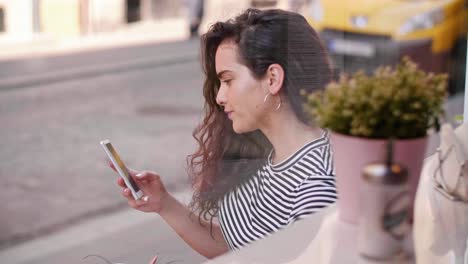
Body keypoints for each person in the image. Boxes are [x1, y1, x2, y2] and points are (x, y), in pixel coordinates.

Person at [109, 8, 337, 259]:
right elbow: (240, 249)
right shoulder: (279, 157)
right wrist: (163, 203)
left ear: (272, 78)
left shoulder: (316, 188)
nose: (219, 97)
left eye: (228, 81)